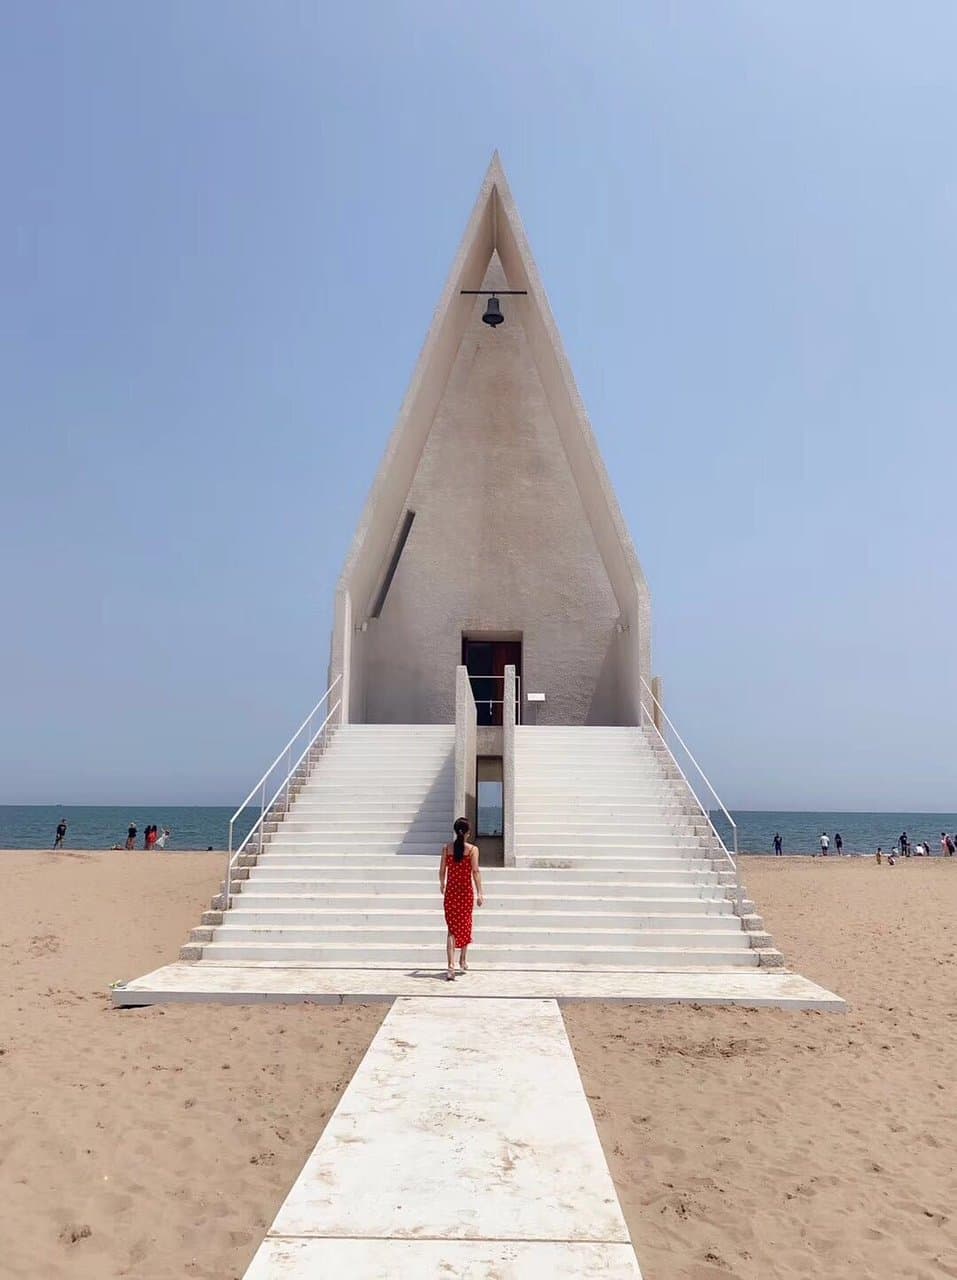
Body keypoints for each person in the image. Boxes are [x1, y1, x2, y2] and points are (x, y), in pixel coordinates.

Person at [439, 817, 483, 981]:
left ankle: (451, 966)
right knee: (465, 924)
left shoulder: (446, 848)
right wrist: (480, 892)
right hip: (465, 893)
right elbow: (475, 872)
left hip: (451, 893)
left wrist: (442, 884)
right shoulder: (472, 850)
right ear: (468, 833)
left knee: (451, 930)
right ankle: (462, 959)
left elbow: (442, 869)